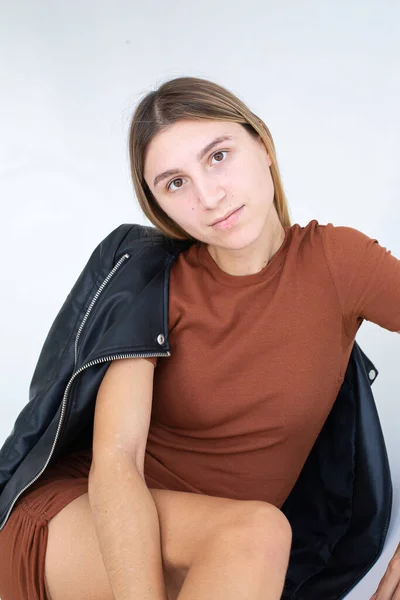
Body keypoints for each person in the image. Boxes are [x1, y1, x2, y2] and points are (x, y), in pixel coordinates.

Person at [0, 76, 399, 600]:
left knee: (254, 536)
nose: (209, 196)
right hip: (88, 526)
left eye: (218, 156)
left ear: (263, 145)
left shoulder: (338, 264)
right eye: (175, 183)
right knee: (259, 531)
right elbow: (117, 464)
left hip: (231, 551)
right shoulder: (153, 283)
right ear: (159, 206)